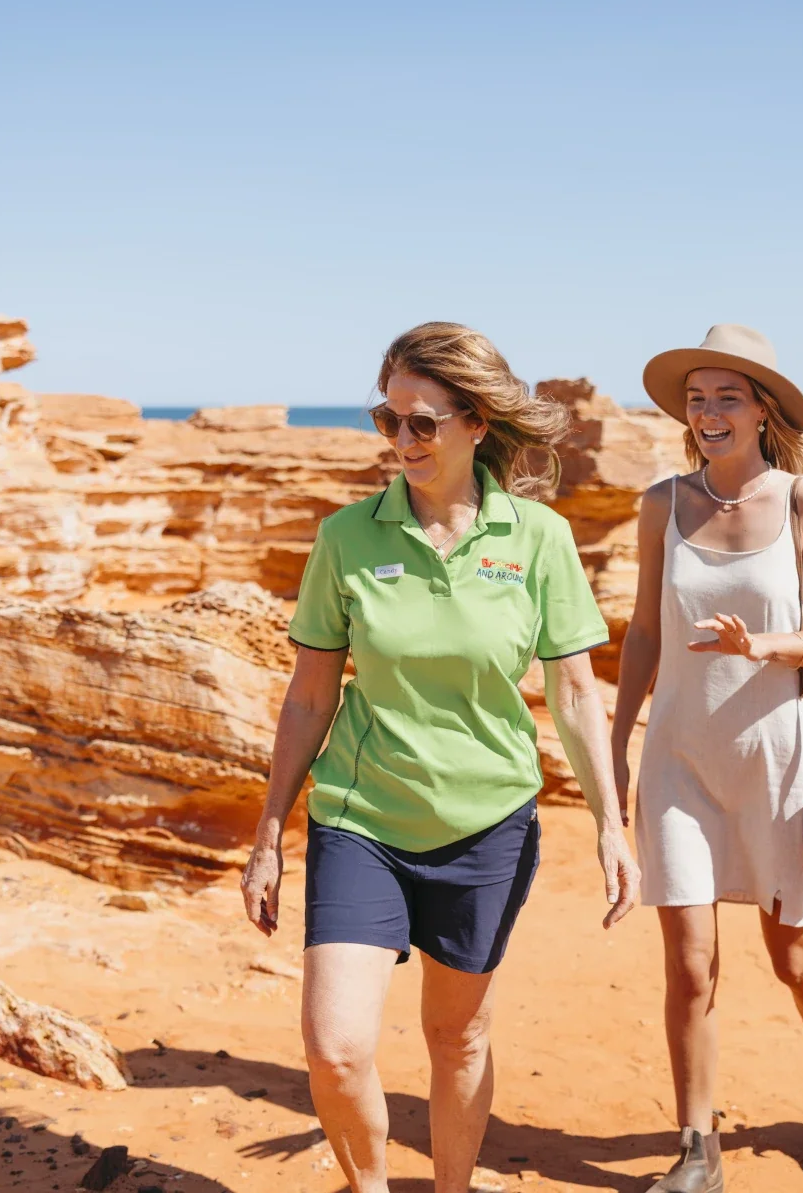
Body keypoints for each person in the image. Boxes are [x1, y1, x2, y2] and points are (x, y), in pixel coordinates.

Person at [239, 321, 641, 1193]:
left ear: (476, 423)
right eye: (388, 419)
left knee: (457, 1037)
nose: (403, 439)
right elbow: (309, 696)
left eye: (423, 422)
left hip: (488, 824)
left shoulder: (538, 538)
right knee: (336, 1048)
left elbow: (576, 694)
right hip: (361, 817)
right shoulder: (348, 537)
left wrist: (613, 825)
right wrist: (269, 830)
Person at [610, 324, 803, 1189]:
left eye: (727, 396)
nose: (708, 412)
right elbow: (644, 632)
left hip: (774, 762)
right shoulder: (661, 503)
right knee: (689, 965)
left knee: (796, 958)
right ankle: (697, 1147)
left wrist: (763, 646)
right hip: (678, 760)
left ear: (762, 410)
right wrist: (618, 741)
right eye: (697, 398)